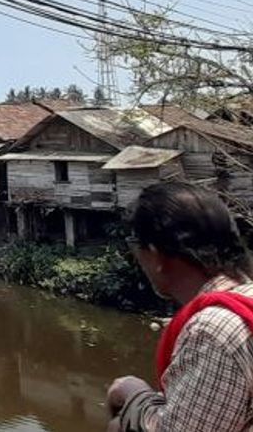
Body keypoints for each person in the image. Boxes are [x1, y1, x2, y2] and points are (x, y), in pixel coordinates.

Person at [107, 183, 253, 432]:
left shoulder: (213, 329)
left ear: (155, 255)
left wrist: (135, 393)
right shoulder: (246, 298)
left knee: (117, 424)